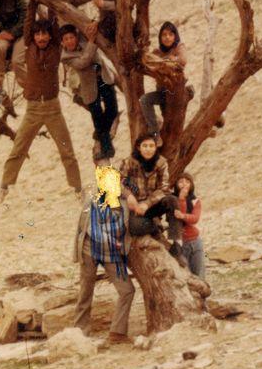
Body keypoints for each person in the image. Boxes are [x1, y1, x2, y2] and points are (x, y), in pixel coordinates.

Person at [0, 0, 82, 203]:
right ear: (33, 37)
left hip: (54, 110)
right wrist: (33, 2)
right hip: (33, 110)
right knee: (19, 148)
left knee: (66, 151)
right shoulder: (29, 47)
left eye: (44, 34)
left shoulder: (55, 47)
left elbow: (53, 22)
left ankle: (78, 189)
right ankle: (4, 186)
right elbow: (28, 22)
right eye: (38, 34)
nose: (41, 37)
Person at [73, 165, 134, 345]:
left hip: (111, 254)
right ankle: (79, 333)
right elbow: (91, 229)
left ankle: (117, 333)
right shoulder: (93, 201)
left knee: (127, 290)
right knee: (86, 291)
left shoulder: (123, 203)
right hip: (89, 251)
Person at [60, 22, 119, 162]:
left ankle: (100, 132)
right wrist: (92, 43)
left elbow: (89, 24)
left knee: (112, 109)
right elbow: (83, 62)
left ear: (76, 36)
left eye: (71, 37)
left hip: (103, 77)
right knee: (97, 116)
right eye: (66, 39)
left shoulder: (83, 38)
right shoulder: (66, 56)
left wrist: (94, 23)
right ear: (62, 42)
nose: (70, 41)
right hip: (88, 87)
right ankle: (107, 148)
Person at [119, 134, 184, 253]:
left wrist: (148, 203)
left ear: (155, 148)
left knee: (172, 200)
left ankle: (177, 242)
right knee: (135, 228)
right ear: (139, 147)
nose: (148, 149)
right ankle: (156, 227)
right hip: (136, 206)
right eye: (145, 146)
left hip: (153, 204)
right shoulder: (129, 162)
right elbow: (119, 182)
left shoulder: (161, 163)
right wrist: (129, 195)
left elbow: (164, 188)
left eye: (151, 146)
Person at [140, 21, 188, 145]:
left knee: (172, 122)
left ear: (175, 36)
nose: (167, 38)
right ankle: (155, 133)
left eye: (171, 34)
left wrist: (163, 62)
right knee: (145, 100)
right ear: (160, 37)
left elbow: (182, 61)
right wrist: (168, 61)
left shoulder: (179, 46)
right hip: (162, 91)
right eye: (164, 35)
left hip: (176, 93)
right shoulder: (157, 51)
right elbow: (149, 62)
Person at [173, 172, 205, 280]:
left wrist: (183, 216)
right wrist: (181, 199)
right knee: (186, 276)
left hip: (196, 241)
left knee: (199, 275)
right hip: (181, 243)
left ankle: (202, 297)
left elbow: (194, 219)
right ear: (176, 184)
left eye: (187, 181)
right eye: (181, 181)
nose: (184, 184)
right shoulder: (171, 200)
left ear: (191, 184)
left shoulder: (195, 201)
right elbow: (178, 219)